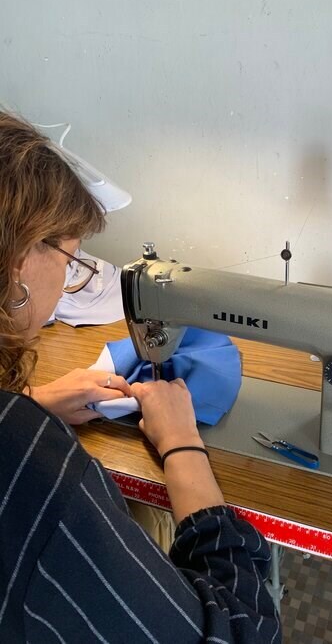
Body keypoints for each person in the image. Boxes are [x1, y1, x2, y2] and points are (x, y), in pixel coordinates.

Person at [0, 111, 281, 643]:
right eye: (72, 256)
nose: (72, 276)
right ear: (19, 261)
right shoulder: (28, 465)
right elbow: (238, 633)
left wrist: (31, 400)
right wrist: (181, 447)